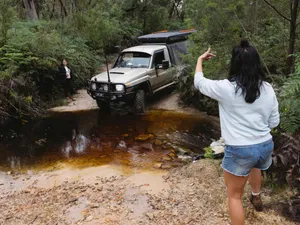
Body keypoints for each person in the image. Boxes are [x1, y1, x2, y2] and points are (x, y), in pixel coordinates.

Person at [194, 39, 280, 225]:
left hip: (240, 150)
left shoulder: (225, 88)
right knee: (254, 163)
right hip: (265, 145)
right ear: (256, 63)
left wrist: (200, 60)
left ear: (234, 64)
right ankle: (256, 196)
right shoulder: (268, 88)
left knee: (234, 196)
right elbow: (274, 122)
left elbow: (199, 82)